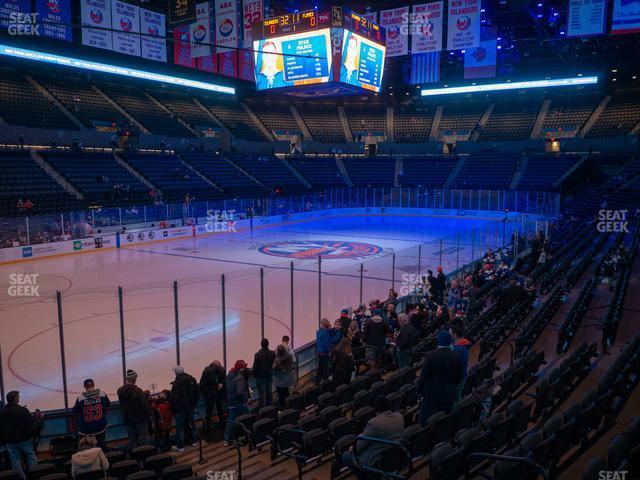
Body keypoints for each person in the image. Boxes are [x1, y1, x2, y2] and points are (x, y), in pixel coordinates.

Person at [342, 396, 404, 479]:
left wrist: (352, 448)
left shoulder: (374, 423)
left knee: (346, 456)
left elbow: (359, 448)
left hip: (379, 460)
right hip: (396, 456)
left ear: (376, 409)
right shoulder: (399, 416)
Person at [416, 330, 463, 425]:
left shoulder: (430, 356)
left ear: (439, 341)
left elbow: (423, 377)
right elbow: (459, 377)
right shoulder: (456, 356)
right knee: (444, 422)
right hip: (449, 395)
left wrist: (419, 391)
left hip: (432, 395)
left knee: (425, 422)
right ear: (450, 341)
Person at [0, 391, 37, 479]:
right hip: (25, 439)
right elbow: (30, 425)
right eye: (18, 397)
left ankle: (20, 477)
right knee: (31, 456)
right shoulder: (23, 410)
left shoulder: (2, 412)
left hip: (10, 441)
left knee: (15, 460)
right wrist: (31, 435)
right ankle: (35, 475)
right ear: (15, 399)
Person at [117, 370, 151, 450]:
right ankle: (146, 455)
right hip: (140, 419)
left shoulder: (120, 391)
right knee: (143, 439)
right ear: (134, 379)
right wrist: (149, 413)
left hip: (128, 419)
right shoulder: (138, 391)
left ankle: (136, 457)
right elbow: (144, 405)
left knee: (133, 440)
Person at [72, 379, 111, 450]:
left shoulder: (80, 398)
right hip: (100, 426)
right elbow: (108, 404)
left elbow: (75, 410)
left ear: (85, 387)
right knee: (102, 446)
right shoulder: (102, 394)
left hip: (86, 429)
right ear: (93, 385)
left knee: (87, 449)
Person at [170, 366, 199, 452]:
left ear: (176, 373)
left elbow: (175, 399)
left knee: (180, 428)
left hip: (180, 411)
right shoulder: (192, 379)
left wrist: (175, 409)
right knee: (191, 425)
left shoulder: (176, 384)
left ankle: (180, 446)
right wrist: (193, 405)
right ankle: (194, 441)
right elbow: (196, 394)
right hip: (190, 408)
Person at [224, 360, 251, 447]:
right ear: (241, 369)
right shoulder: (240, 378)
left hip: (231, 402)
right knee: (248, 417)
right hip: (239, 402)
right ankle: (250, 434)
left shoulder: (229, 375)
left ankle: (227, 439)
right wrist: (246, 399)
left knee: (231, 421)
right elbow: (240, 392)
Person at [199, 360, 226, 432]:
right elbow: (202, 384)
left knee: (219, 409)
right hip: (211, 394)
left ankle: (222, 423)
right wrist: (208, 394)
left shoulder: (221, 369)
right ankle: (208, 427)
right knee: (209, 411)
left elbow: (224, 379)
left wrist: (222, 383)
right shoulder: (207, 371)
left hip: (219, 393)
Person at [316, 318, 341, 384]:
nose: (329, 323)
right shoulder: (325, 333)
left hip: (319, 353)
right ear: (325, 324)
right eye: (328, 322)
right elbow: (330, 341)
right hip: (324, 354)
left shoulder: (319, 332)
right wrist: (338, 334)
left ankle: (317, 382)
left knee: (320, 368)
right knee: (325, 370)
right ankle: (325, 384)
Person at [450, 321, 470, 401]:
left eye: (451, 332)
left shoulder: (458, 350)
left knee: (456, 398)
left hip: (458, 379)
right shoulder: (463, 345)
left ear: (455, 335)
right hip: (462, 376)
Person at [253, 339, 276, 408]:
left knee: (262, 394)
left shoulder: (258, 354)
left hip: (260, 377)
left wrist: (255, 375)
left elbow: (255, 367)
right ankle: (270, 407)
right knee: (269, 392)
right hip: (269, 375)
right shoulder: (272, 353)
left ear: (261, 345)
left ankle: (264, 410)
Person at [272, 345, 294, 409]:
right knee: (287, 394)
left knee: (281, 396)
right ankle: (288, 407)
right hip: (287, 380)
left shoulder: (277, 360)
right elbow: (291, 365)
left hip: (280, 382)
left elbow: (273, 371)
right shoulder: (289, 356)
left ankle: (283, 409)